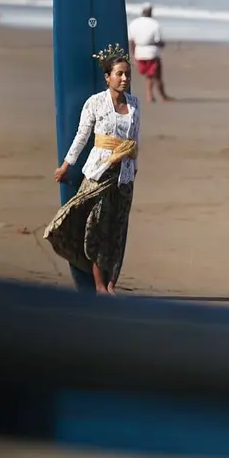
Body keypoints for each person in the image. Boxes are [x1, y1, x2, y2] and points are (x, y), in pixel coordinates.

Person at [44, 44, 141, 295]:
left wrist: (134, 168)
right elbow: (82, 136)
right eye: (119, 74)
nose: (124, 78)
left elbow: (135, 139)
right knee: (96, 229)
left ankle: (111, 284)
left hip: (124, 178)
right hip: (99, 174)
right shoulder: (95, 103)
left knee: (117, 230)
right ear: (107, 77)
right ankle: (99, 285)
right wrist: (66, 165)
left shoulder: (135, 104)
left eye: (127, 74)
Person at [128, 3, 172, 103]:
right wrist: (162, 44)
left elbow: (131, 41)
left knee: (149, 75)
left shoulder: (134, 23)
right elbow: (158, 40)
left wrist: (133, 54)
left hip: (139, 51)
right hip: (152, 52)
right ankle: (154, 95)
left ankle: (156, 95)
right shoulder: (155, 24)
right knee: (155, 75)